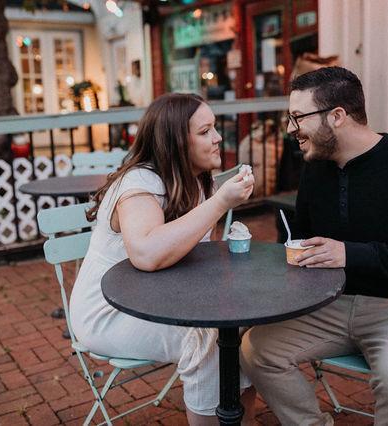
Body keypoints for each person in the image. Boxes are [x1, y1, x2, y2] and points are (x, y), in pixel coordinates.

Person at [240, 67, 388, 425]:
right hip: (329, 302)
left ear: (337, 116)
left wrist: (349, 252)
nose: (291, 128)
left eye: (297, 117)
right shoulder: (314, 168)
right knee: (254, 349)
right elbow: (302, 237)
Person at [69, 93, 256, 425]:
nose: (217, 139)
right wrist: (220, 203)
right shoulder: (139, 183)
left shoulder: (198, 179)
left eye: (214, 128)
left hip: (160, 299)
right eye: (205, 131)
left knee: (241, 328)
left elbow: (192, 253)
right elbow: (147, 254)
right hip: (109, 310)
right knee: (202, 337)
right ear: (175, 142)